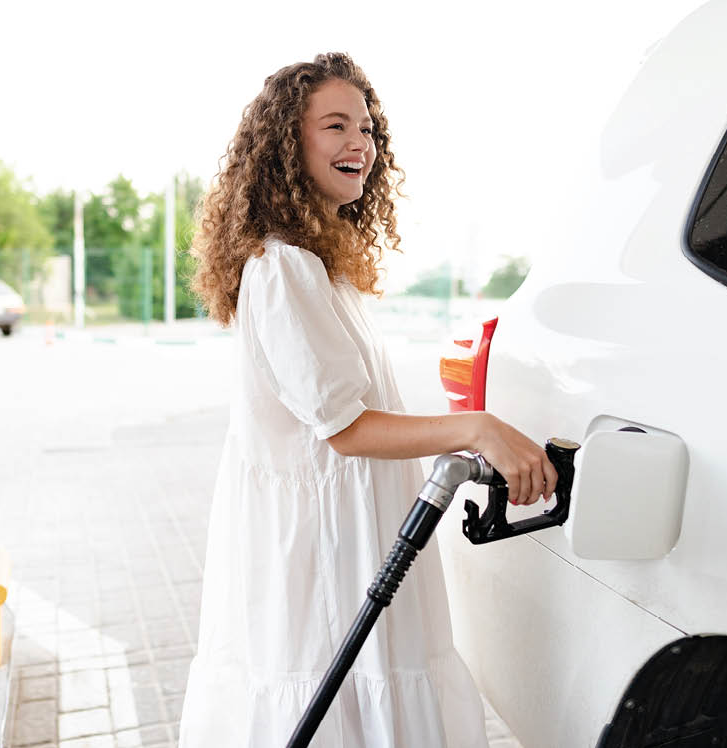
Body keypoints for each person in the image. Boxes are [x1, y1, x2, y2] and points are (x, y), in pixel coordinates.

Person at [177, 52, 558, 747]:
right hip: (326, 543)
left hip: (350, 523)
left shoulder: (318, 264)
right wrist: (475, 428)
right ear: (285, 144)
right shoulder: (282, 266)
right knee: (337, 694)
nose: (359, 143)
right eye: (334, 126)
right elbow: (344, 428)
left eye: (366, 127)